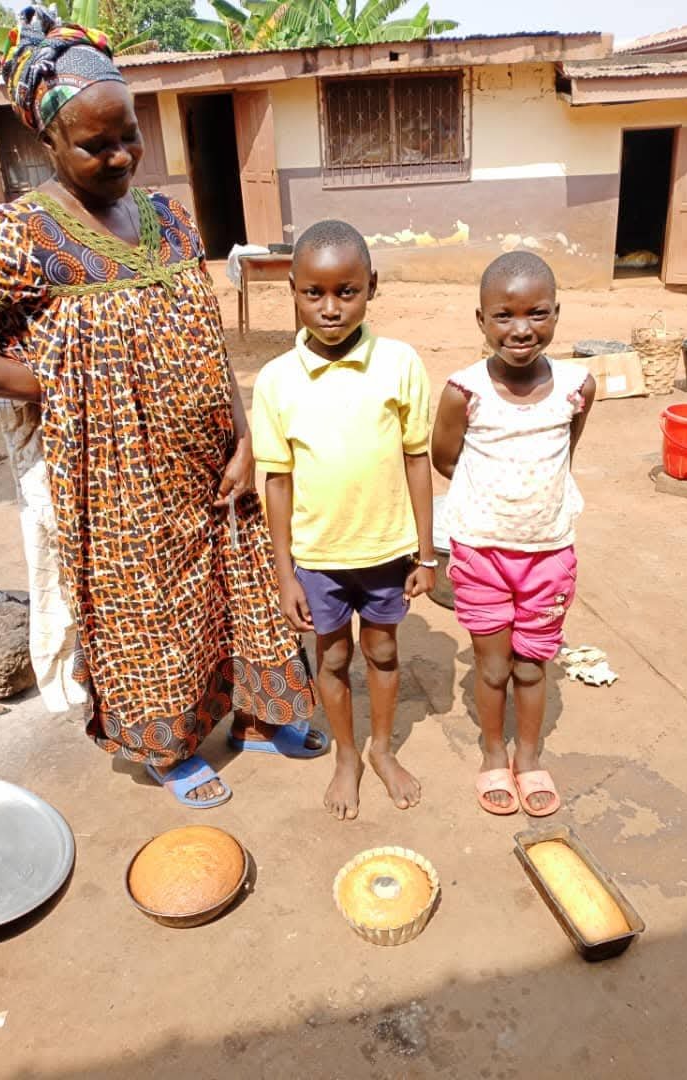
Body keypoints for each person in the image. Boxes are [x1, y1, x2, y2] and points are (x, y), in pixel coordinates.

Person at [0, 6, 324, 809]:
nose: (120, 155)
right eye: (95, 144)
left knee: (239, 578)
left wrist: (246, 434)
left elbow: (205, 333)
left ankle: (262, 711)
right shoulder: (24, 236)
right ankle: (170, 744)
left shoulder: (166, 217)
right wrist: (33, 383)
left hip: (209, 451)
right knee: (145, 608)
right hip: (114, 474)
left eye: (130, 137)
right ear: (43, 139)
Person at [251, 220, 435, 821]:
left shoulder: (400, 364)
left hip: (385, 550)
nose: (330, 309)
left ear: (371, 287)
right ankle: (347, 755)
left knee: (382, 654)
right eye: (314, 293)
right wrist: (285, 576)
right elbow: (276, 482)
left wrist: (426, 554)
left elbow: (416, 459)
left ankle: (383, 749)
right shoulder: (278, 380)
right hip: (319, 559)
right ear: (294, 290)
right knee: (331, 660)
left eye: (347, 291)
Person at [432, 252, 596, 818]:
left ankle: (528, 756)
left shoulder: (577, 386)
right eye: (503, 315)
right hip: (482, 553)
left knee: (533, 665)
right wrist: (496, 499)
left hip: (549, 554)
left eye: (537, 314)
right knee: (494, 666)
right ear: (480, 319)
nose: (521, 329)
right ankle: (492, 751)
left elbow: (566, 451)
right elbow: (445, 458)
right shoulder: (464, 391)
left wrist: (533, 499)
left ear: (557, 314)